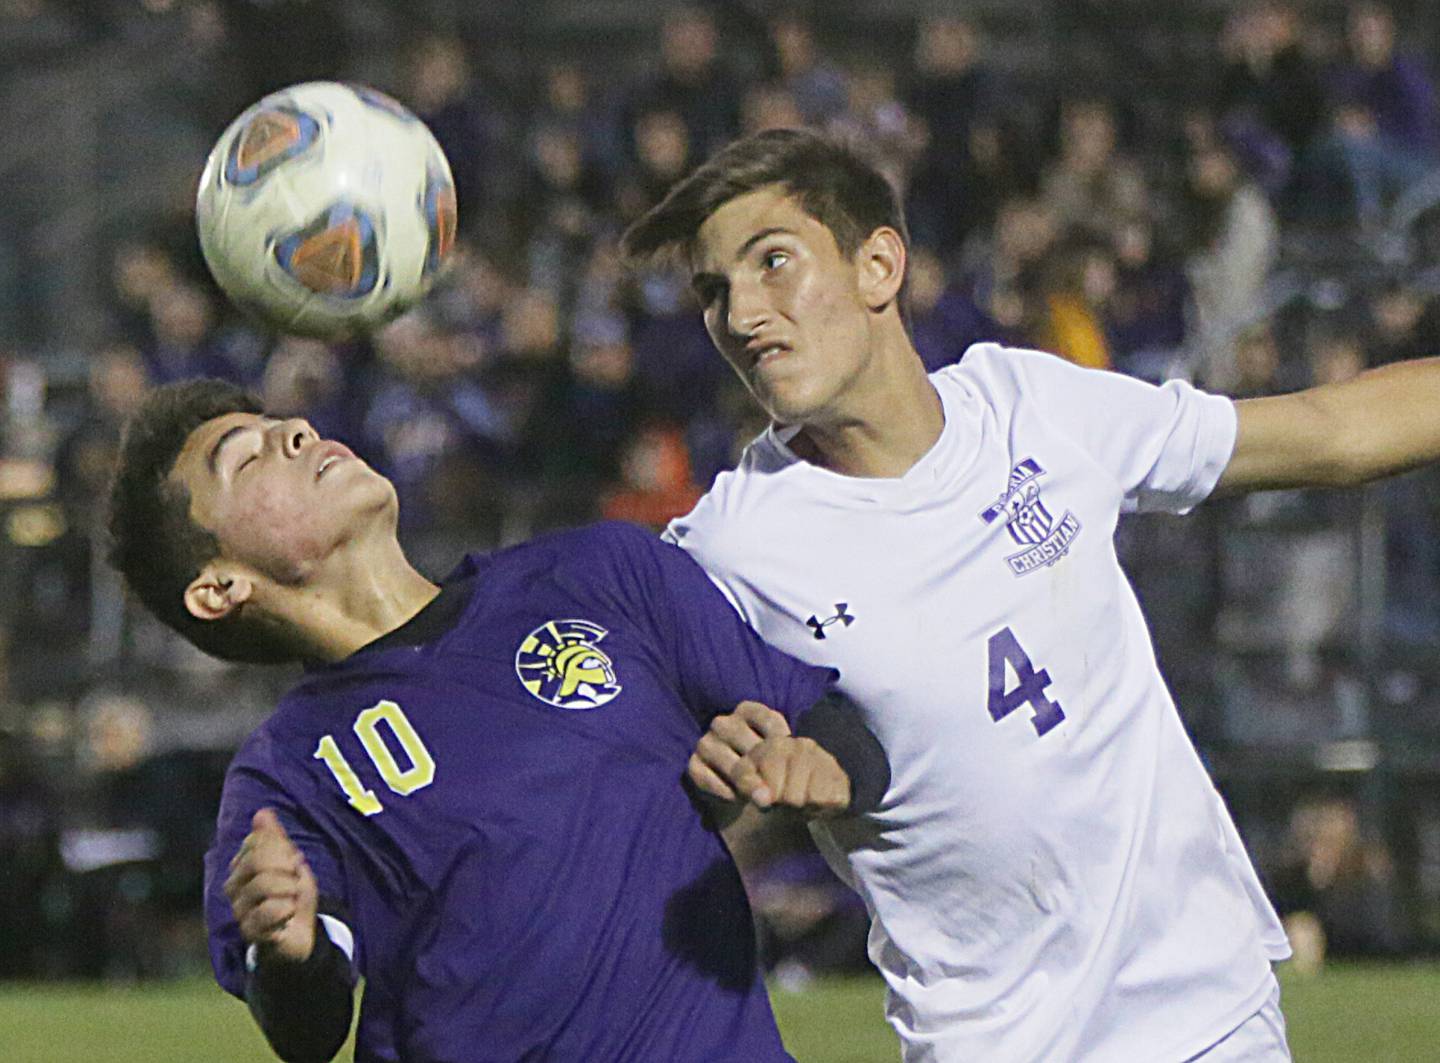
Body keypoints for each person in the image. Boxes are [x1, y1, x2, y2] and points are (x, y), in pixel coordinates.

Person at [622, 127, 1440, 1061]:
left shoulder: (1033, 406)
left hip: (1209, 1011)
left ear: (879, 264)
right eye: (715, 293)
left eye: (774, 263)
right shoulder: (728, 546)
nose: (743, 314)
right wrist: (740, 775)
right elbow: (666, 778)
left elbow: (1327, 433)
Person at [103, 378, 889, 1062]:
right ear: (217, 588)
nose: (296, 432)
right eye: (246, 457)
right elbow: (309, 1027)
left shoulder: (601, 572)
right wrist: (287, 947)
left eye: (285, 425)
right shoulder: (287, 771)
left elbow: (838, 727)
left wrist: (818, 762)